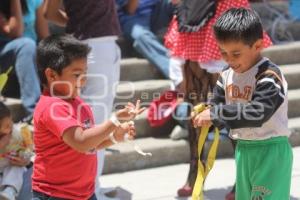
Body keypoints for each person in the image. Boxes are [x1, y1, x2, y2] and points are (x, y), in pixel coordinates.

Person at [164, 0, 272, 198]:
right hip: (193, 14)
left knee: (235, 113)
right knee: (196, 110)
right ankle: (195, 173)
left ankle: (244, 177)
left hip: (224, 12)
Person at [193, 8, 293, 200]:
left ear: (257, 45)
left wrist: (216, 114)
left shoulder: (269, 76)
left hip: (271, 151)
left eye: (236, 53)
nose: (229, 60)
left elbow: (258, 112)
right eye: (223, 52)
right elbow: (218, 106)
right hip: (243, 150)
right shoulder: (226, 75)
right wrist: (206, 114)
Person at [31, 34, 144, 200]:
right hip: (54, 195)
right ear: (52, 75)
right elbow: (82, 142)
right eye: (76, 75)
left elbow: (90, 146)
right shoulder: (52, 107)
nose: (83, 81)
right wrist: (114, 120)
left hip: (84, 193)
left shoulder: (78, 103)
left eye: (85, 73)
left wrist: (114, 137)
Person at [43, 1, 123, 198]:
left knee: (91, 120)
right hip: (95, 47)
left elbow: (48, 12)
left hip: (88, 44)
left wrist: (78, 22)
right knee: (95, 122)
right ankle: (91, 189)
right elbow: (50, 13)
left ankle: (91, 184)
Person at [0, 0, 48, 121]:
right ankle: (34, 114)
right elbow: (16, 32)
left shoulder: (34, 1)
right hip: (6, 56)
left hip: (30, 60)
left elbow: (44, 35)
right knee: (26, 45)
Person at [116, 0, 174, 78]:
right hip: (132, 18)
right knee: (141, 36)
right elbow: (130, 10)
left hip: (157, 12)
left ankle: (193, 54)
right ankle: (175, 71)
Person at [0, 102, 33, 200]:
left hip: (10, 165)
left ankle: (10, 191)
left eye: (11, 122)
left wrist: (25, 159)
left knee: (16, 170)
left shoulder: (17, 133)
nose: (10, 127)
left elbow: (29, 148)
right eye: (6, 126)